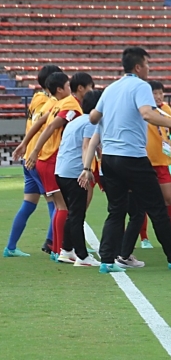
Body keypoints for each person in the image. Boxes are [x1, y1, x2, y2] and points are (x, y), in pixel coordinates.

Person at [78, 47, 171, 273]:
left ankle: (107, 261)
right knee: (157, 208)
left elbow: (93, 117)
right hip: (132, 156)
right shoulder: (141, 86)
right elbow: (146, 114)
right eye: (148, 65)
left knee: (116, 210)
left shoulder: (111, 88)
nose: (149, 70)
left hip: (109, 159)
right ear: (138, 67)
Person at [26, 72, 94, 261]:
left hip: (53, 161)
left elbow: (42, 122)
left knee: (61, 207)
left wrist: (26, 145)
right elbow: (50, 127)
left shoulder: (57, 103)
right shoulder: (70, 105)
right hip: (54, 160)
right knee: (67, 209)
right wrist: (33, 150)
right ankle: (63, 249)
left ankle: (62, 248)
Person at [5, 65, 61, 257]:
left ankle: (11, 247)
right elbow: (43, 127)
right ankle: (54, 246)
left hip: (29, 158)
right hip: (39, 158)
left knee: (29, 204)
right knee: (56, 202)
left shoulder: (37, 99)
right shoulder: (49, 103)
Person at [137, 80, 171, 249]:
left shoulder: (166, 109)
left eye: (160, 93)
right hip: (145, 161)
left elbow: (169, 130)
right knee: (143, 202)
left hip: (162, 162)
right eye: (154, 93)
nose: (158, 96)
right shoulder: (143, 111)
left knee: (169, 199)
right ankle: (144, 238)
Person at [54, 89, 102, 267]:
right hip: (74, 173)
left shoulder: (76, 121)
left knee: (73, 213)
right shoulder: (91, 122)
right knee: (77, 214)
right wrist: (87, 168)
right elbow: (86, 146)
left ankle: (67, 250)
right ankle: (82, 256)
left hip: (61, 171)